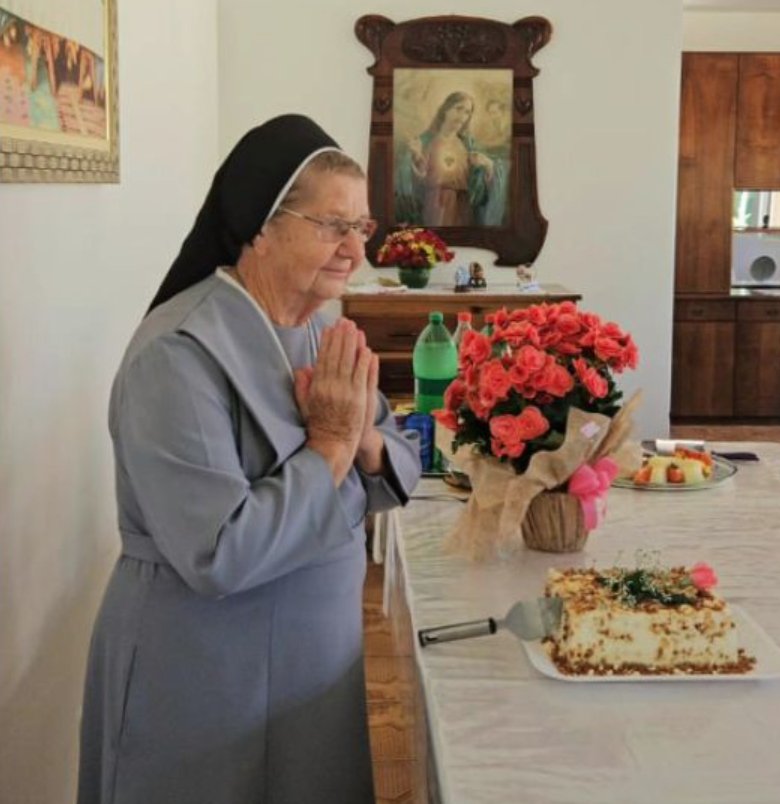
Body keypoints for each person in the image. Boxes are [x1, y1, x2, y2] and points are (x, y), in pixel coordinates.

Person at [77, 114, 422, 804]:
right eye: (333, 226)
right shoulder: (177, 354)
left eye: (363, 227)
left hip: (312, 662)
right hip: (207, 670)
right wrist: (330, 448)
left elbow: (394, 457)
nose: (355, 250)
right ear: (261, 227)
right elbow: (221, 555)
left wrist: (366, 444)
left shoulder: (317, 324)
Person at [395, 91, 507, 227]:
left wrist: (487, 165)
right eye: (458, 108)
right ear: (446, 109)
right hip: (435, 206)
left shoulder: (469, 144)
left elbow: (480, 184)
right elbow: (414, 184)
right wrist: (416, 156)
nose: (462, 116)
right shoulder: (425, 141)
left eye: (467, 112)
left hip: (464, 207)